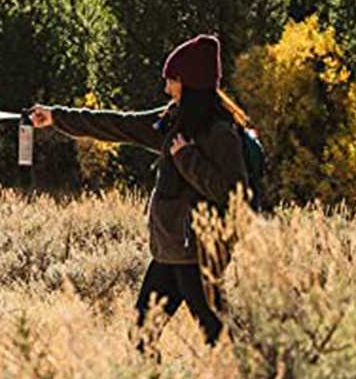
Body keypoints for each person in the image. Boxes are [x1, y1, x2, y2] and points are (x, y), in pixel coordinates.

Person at [29, 34, 250, 348]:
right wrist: (57, 116)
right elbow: (119, 125)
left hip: (198, 254)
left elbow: (234, 192)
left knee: (221, 340)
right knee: (141, 337)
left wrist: (186, 157)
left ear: (191, 84)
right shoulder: (173, 120)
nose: (166, 88)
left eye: (172, 81)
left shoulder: (219, 132)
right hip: (169, 252)